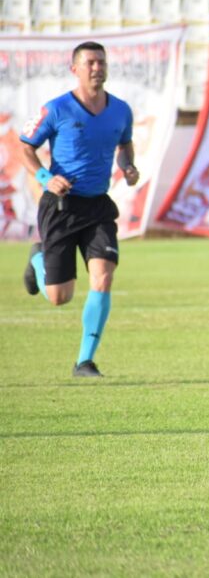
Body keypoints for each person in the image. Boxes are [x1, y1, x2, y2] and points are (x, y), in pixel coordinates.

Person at [19, 41, 140, 378]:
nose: (97, 68)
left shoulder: (120, 110)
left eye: (101, 62)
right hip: (62, 205)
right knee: (60, 297)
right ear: (75, 68)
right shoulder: (57, 109)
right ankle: (37, 259)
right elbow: (25, 147)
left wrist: (128, 166)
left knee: (102, 277)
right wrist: (46, 177)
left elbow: (124, 144)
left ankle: (84, 361)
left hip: (98, 206)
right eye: (90, 62)